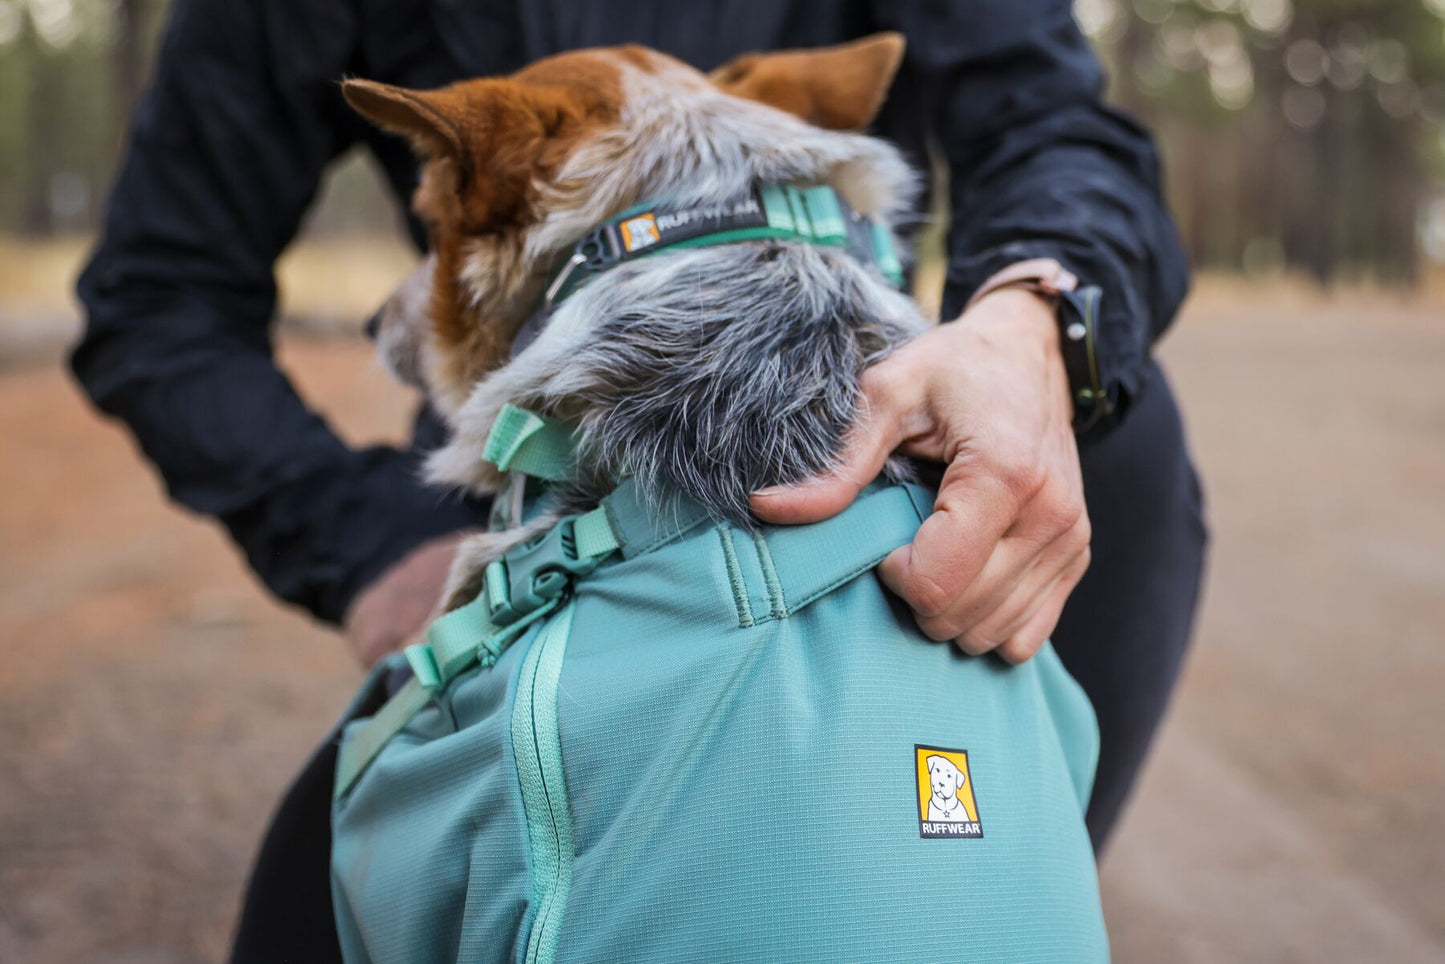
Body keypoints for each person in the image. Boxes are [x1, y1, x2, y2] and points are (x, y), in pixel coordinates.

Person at [72, 1, 1205, 960]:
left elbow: (1052, 123)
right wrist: (365, 542)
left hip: (915, 433)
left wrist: (1025, 328)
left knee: (1126, 438)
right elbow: (161, 291)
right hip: (544, 477)